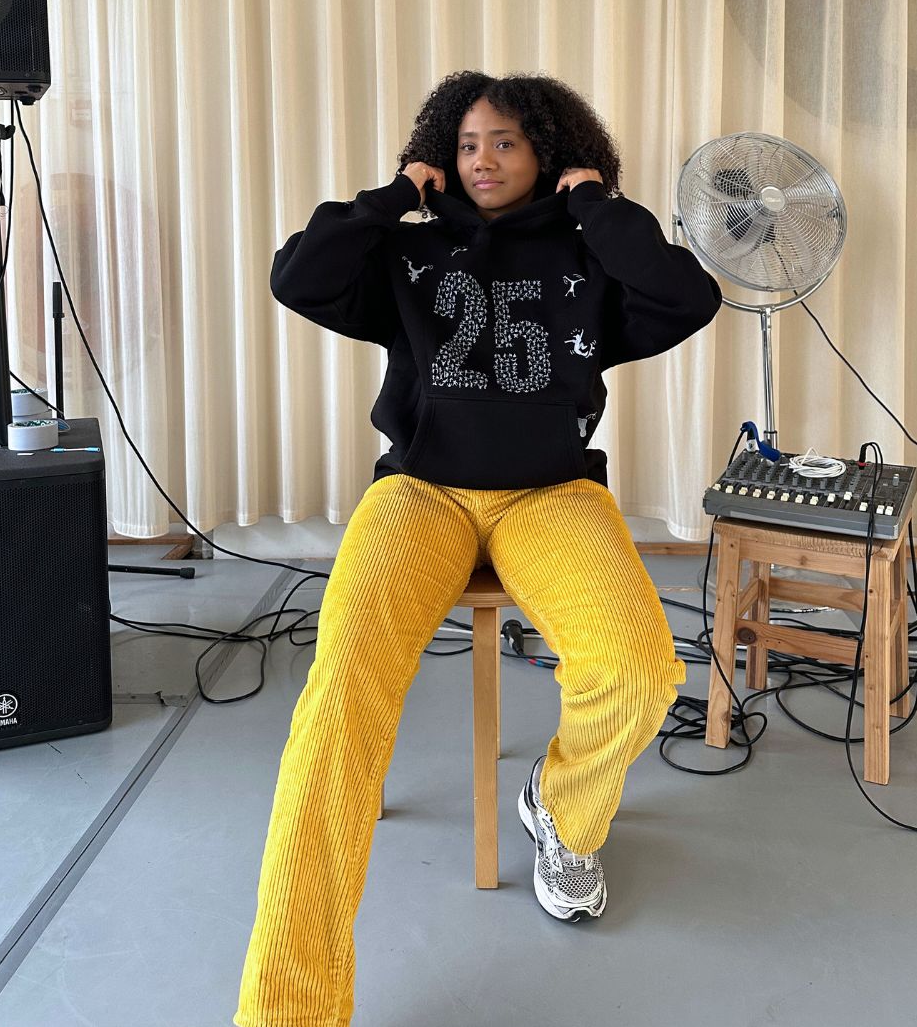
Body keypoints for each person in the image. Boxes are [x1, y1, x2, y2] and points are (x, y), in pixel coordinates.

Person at [234, 71, 722, 1026]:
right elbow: (299, 276)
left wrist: (595, 204)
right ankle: (289, 1011)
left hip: (551, 493)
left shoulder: (587, 255)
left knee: (637, 671)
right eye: (465, 145)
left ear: (548, 151)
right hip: (421, 490)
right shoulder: (407, 250)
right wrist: (393, 196)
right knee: (340, 699)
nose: (481, 161)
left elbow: (687, 296)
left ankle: (562, 812)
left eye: (504, 142)